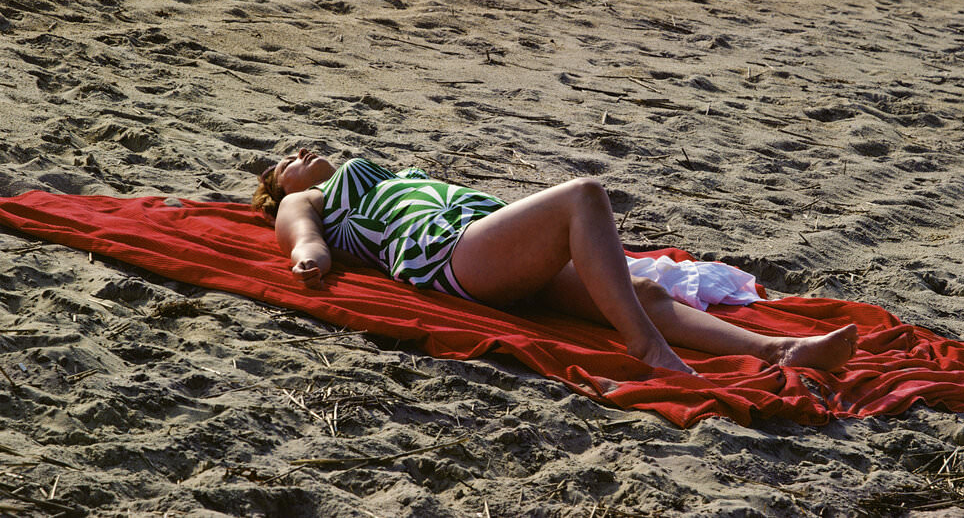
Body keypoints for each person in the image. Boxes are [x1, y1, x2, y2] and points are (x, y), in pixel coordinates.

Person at [252, 148, 858, 374]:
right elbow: (299, 232)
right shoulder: (316, 197)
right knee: (583, 195)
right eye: (284, 161)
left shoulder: (378, 174)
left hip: (488, 254)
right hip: (449, 254)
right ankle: (646, 348)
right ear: (281, 187)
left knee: (640, 293)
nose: (298, 152)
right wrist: (309, 254)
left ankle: (778, 352)